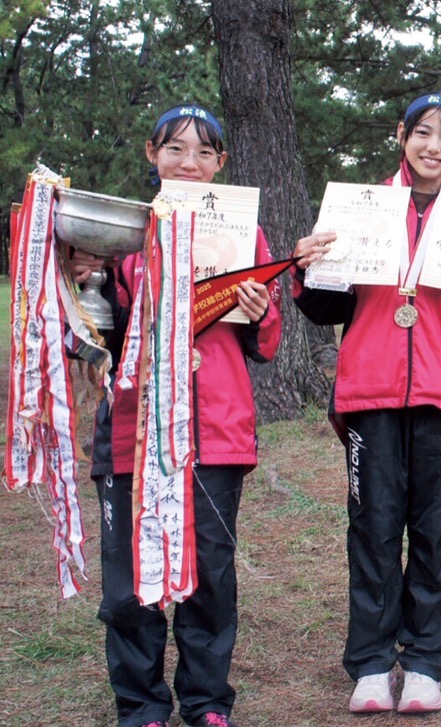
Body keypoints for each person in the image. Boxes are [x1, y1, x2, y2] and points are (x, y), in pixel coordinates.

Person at [291, 92, 441, 715]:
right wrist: (308, 265)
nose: (433, 147)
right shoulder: (362, 207)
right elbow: (324, 307)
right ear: (402, 135)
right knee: (372, 525)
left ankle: (425, 660)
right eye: (422, 132)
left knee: (437, 528)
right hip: (370, 391)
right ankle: (371, 663)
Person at [72, 104, 281, 727]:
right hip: (134, 433)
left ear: (220, 164)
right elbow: (89, 341)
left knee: (210, 572)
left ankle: (207, 701)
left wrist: (259, 305)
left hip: (214, 430)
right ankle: (140, 705)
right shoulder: (119, 241)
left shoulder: (246, 233)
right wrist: (86, 282)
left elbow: (264, 343)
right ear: (151, 154)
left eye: (203, 153)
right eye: (175, 150)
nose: (189, 163)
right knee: (128, 581)